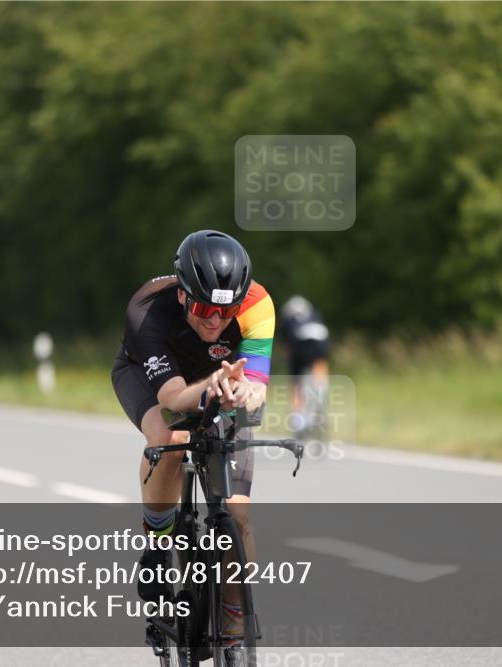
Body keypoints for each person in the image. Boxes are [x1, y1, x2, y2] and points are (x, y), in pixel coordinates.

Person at [111, 229, 274, 651]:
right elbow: (170, 399)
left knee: (238, 518)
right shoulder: (147, 311)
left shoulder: (258, 305)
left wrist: (244, 391)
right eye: (203, 308)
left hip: (220, 382)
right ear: (183, 295)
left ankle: (233, 627)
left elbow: (256, 385)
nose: (215, 320)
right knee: (169, 437)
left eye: (226, 311)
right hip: (152, 378)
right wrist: (212, 386)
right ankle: (157, 545)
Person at [278, 295, 330, 435]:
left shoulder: (288, 318)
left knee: (296, 383)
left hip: (298, 341)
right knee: (319, 366)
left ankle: (298, 420)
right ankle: (320, 393)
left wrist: (290, 361)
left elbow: (287, 344)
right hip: (320, 337)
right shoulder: (314, 314)